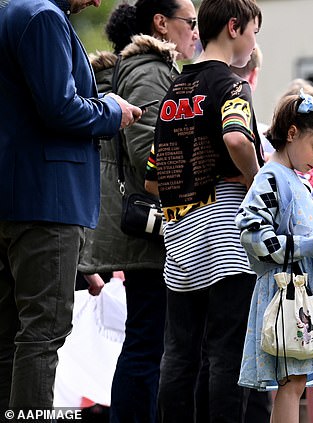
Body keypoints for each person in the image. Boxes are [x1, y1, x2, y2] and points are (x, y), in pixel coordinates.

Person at [0, 0, 141, 412]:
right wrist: (112, 109)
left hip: (15, 200)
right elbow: (59, 108)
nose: (97, 3)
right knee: (42, 336)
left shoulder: (12, 12)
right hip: (47, 203)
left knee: (11, 337)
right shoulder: (43, 16)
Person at [79, 1, 199, 422]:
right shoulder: (151, 70)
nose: (196, 32)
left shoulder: (146, 69)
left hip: (139, 224)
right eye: (191, 22)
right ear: (161, 23)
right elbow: (148, 150)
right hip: (151, 225)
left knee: (148, 340)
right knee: (149, 342)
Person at [152, 0, 265, 421]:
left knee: (179, 355)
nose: (254, 42)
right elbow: (237, 139)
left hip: (179, 241)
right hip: (225, 241)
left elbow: (151, 175)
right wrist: (254, 176)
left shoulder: (171, 92)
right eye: (254, 30)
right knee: (226, 354)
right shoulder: (233, 86)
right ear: (234, 28)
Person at [235, 90, 313, 423]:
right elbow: (252, 232)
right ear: (293, 133)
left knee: (295, 380)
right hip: (286, 294)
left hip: (302, 293)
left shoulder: (299, 181)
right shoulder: (271, 177)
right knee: (292, 380)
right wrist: (310, 246)